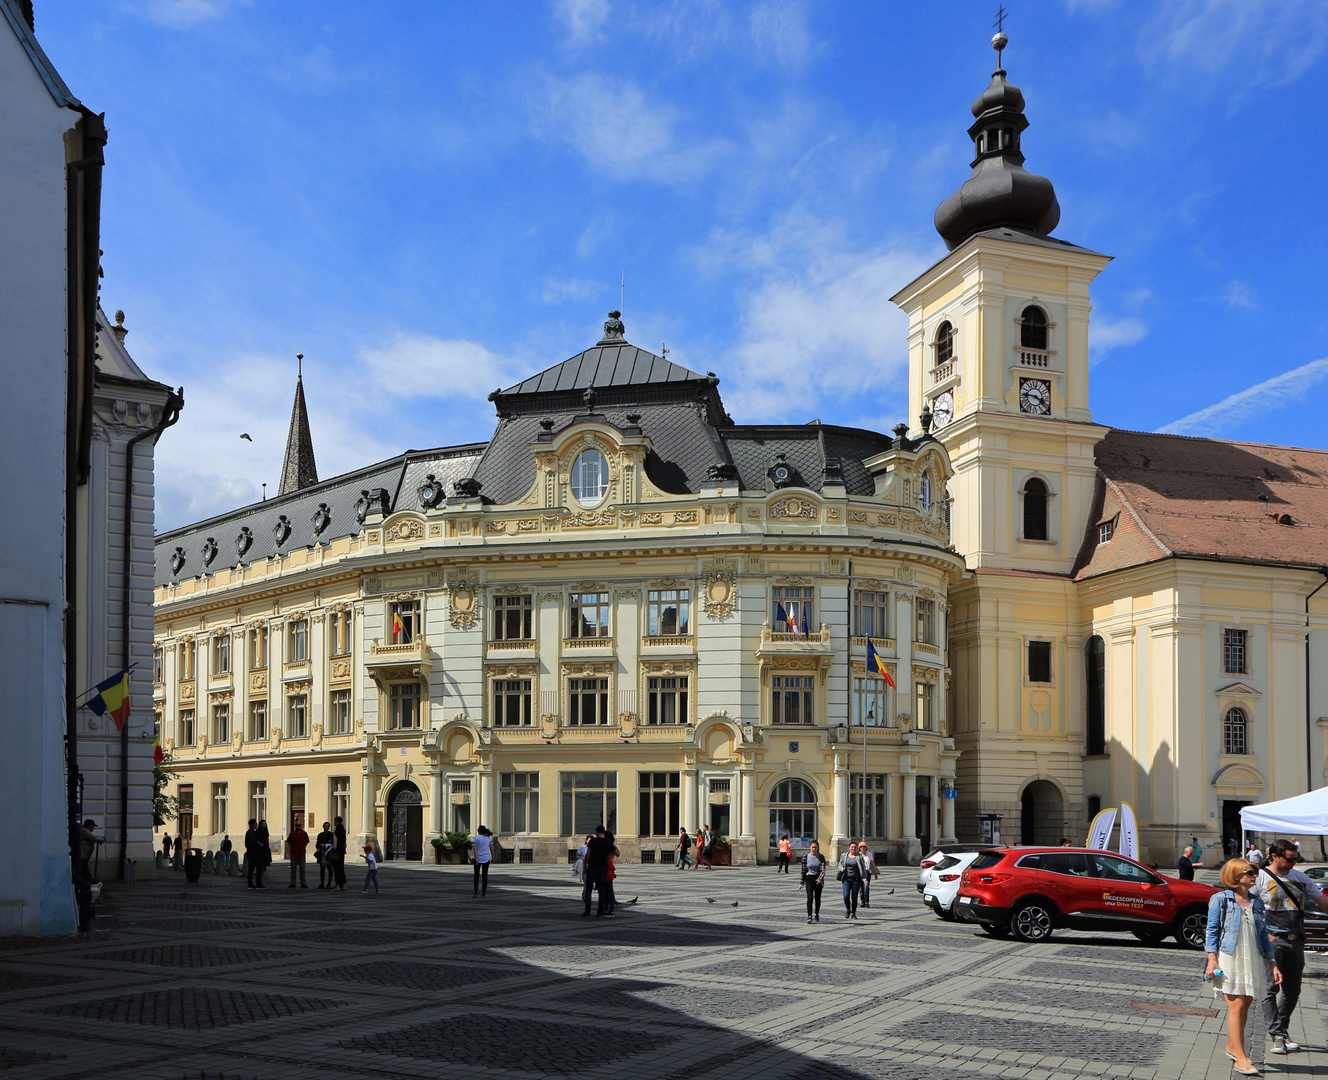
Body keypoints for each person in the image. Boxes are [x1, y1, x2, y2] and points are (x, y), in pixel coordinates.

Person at [1206, 858, 1281, 1076]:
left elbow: (1263, 936)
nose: (1254, 876)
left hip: (1253, 957)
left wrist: (1272, 963)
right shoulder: (1220, 899)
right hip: (1229, 957)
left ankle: (1232, 1046)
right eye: (1250, 872)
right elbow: (1212, 931)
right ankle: (1241, 1057)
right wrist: (1212, 959)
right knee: (1236, 1006)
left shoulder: (1256, 902)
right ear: (1236, 875)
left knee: (1246, 1004)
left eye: (1255, 872)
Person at [1255, 839, 1328, 1054]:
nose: (1294, 863)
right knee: (1270, 988)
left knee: (1293, 990)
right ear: (1274, 856)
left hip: (1296, 940)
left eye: (1296, 858)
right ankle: (1277, 1035)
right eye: (1289, 859)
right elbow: (1249, 909)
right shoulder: (1259, 878)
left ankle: (1282, 1031)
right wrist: (1262, 934)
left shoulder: (1301, 878)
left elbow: (1323, 903)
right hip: (1272, 940)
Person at [582, 826, 613, 917]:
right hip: (602, 867)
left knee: (588, 890)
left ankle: (587, 911)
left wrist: (585, 865)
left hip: (592, 867)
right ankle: (600, 912)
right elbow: (617, 852)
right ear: (604, 832)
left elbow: (588, 854)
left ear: (596, 832)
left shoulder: (593, 841)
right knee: (601, 890)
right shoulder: (607, 842)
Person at [798, 840, 826, 923]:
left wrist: (820, 879)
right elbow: (803, 870)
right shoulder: (805, 856)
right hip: (809, 878)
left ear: (818, 848)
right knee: (809, 897)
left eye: (815, 847)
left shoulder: (821, 857)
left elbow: (823, 870)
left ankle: (816, 914)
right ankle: (809, 916)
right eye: (813, 847)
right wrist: (802, 882)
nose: (814, 849)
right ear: (810, 847)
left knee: (817, 898)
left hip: (818, 879)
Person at [838, 841, 867, 919]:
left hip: (856, 880)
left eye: (855, 847)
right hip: (846, 879)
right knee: (846, 896)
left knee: (854, 897)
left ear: (857, 848)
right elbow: (840, 864)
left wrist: (865, 879)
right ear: (849, 848)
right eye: (852, 847)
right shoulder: (844, 855)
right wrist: (841, 868)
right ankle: (848, 909)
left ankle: (853, 913)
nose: (853, 848)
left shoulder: (859, 857)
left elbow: (863, 868)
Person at [287, 820, 310, 888]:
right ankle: (292, 883)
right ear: (295, 826)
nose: (298, 827)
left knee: (302, 870)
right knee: (293, 870)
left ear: (301, 826)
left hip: (302, 854)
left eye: (299, 825)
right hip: (294, 854)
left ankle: (303, 883)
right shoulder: (292, 834)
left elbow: (306, 842)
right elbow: (289, 842)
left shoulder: (304, 834)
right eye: (297, 825)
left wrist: (302, 847)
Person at [244, 818, 265, 890]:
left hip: (252, 853)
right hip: (253, 853)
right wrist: (259, 844)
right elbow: (253, 843)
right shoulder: (251, 833)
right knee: (257, 868)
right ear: (253, 824)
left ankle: (252, 883)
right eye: (255, 824)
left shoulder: (251, 832)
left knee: (252, 868)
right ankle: (255, 883)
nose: (256, 825)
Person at [472, 825, 493, 898]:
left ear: (479, 831)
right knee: (485, 876)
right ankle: (483, 893)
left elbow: (474, 850)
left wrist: (476, 859)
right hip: (486, 858)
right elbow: (491, 848)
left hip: (478, 858)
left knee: (476, 876)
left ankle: (475, 892)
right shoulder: (488, 839)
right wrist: (492, 857)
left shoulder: (477, 838)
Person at [858, 840, 879, 906]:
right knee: (861, 888)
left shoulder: (869, 854)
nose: (863, 848)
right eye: (861, 847)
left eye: (864, 847)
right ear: (859, 848)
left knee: (866, 887)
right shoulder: (858, 855)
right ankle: (862, 901)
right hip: (860, 873)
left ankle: (867, 901)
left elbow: (872, 864)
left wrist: (875, 873)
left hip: (867, 872)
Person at [315, 822, 334, 888]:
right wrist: (319, 847)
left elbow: (332, 843)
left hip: (328, 854)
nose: (326, 827)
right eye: (325, 826)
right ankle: (322, 884)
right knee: (322, 869)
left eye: (328, 826)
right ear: (323, 827)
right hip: (322, 854)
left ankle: (329, 884)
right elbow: (317, 844)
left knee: (329, 868)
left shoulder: (331, 834)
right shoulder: (320, 835)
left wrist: (326, 844)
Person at [332, 816, 348, 891]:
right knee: (341, 869)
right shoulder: (343, 829)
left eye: (335, 821)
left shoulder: (337, 829)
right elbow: (345, 843)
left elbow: (335, 842)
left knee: (337, 869)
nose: (334, 823)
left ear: (337, 821)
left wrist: (332, 846)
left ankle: (338, 886)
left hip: (337, 852)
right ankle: (344, 885)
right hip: (342, 851)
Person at [256, 819, 272, 888]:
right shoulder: (258, 832)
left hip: (265, 852)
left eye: (265, 824)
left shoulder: (265, 833)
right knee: (260, 868)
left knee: (263, 869)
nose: (264, 825)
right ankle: (259, 883)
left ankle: (262, 883)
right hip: (260, 852)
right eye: (263, 824)